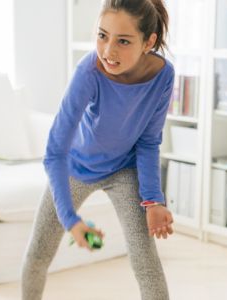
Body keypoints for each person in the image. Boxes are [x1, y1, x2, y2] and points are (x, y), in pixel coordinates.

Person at [21, 0, 174, 299]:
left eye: (123, 41)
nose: (108, 52)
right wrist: (71, 221)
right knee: (38, 254)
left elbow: (148, 141)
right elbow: (55, 152)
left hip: (124, 170)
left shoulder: (163, 75)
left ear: (149, 42)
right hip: (76, 167)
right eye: (102, 35)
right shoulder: (89, 71)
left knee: (146, 262)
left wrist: (153, 200)